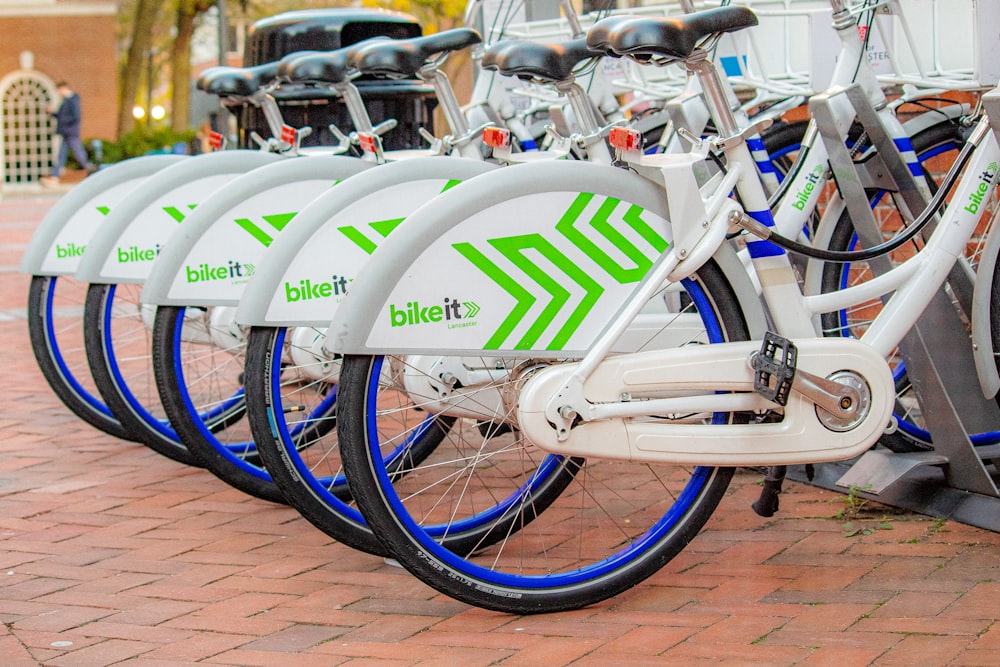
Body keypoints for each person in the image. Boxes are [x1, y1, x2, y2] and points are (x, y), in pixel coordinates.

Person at [40, 81, 95, 186]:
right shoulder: (66, 101)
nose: (59, 93)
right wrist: (52, 113)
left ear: (63, 88)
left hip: (71, 133)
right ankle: (55, 176)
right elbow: (62, 117)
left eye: (59, 91)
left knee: (78, 153)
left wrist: (67, 126)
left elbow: (75, 116)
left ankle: (91, 170)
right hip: (66, 133)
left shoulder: (73, 100)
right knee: (62, 155)